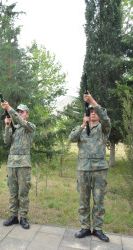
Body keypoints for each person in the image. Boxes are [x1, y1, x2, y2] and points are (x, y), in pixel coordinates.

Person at [69, 93, 111, 242]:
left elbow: (106, 118)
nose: (93, 113)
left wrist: (92, 101)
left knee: (99, 201)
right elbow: (72, 138)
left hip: (99, 170)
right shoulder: (80, 128)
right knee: (84, 200)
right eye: (90, 111)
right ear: (87, 115)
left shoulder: (103, 128)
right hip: (83, 170)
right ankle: (85, 227)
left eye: (95, 111)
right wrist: (83, 125)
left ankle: (98, 229)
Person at [1, 102, 36, 229]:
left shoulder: (30, 126)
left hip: (23, 165)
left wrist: (9, 109)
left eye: (22, 112)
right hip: (12, 164)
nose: (19, 113)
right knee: (13, 191)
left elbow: (20, 121)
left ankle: (24, 217)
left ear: (27, 114)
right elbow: (6, 141)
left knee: (23, 192)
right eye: (18, 111)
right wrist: (7, 125)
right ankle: (13, 216)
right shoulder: (14, 128)